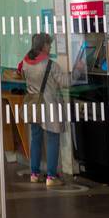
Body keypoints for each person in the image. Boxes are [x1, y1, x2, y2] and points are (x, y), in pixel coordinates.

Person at [17, 32, 66, 185]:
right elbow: (65, 82)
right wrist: (78, 71)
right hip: (49, 104)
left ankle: (34, 173)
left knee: (36, 138)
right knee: (52, 137)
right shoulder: (50, 65)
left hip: (33, 104)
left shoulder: (25, 63)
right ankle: (51, 177)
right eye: (49, 44)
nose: (50, 47)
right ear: (44, 46)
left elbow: (22, 76)